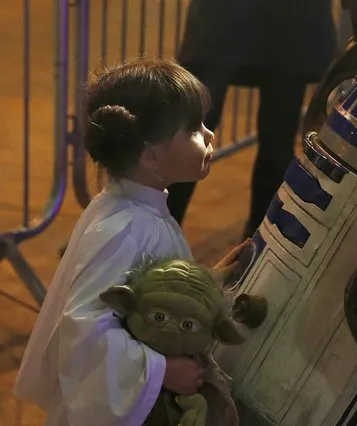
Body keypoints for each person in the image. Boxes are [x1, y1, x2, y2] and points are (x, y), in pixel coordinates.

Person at [13, 60, 249, 426]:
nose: (210, 135)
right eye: (193, 129)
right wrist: (161, 371)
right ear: (150, 154)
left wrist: (205, 283)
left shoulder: (136, 210)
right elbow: (85, 332)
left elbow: (151, 290)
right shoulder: (126, 228)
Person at [166, 0, 338, 238]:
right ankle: (158, 236)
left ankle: (256, 245)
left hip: (275, 25)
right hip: (270, 25)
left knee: (273, 142)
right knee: (191, 132)